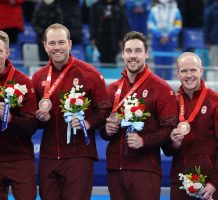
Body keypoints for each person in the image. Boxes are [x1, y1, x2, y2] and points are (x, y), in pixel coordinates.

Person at [31, 23, 111, 200]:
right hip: (48, 155)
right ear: (44, 45)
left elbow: (105, 108)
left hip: (79, 155)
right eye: (52, 43)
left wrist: (88, 123)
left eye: (61, 42)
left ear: (70, 44)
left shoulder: (89, 73)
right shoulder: (38, 77)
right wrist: (39, 118)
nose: (57, 47)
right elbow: (31, 118)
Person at [102, 31, 178, 200]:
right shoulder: (113, 89)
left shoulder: (161, 88)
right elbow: (102, 129)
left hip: (145, 169)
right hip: (115, 168)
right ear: (122, 54)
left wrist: (144, 141)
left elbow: (169, 129)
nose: (133, 56)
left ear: (146, 54)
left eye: (138, 51)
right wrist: (107, 129)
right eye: (128, 51)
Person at [164, 52, 218, 200]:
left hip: (208, 185)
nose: (189, 75)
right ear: (177, 74)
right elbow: (167, 149)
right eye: (184, 71)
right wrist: (174, 144)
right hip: (179, 183)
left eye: (193, 70)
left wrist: (214, 183)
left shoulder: (217, 101)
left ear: (201, 71)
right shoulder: (172, 103)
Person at [0, 30, 37, 200]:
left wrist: (10, 118)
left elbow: (31, 125)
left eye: (0, 51)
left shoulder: (23, 81)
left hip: (19, 158)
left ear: (7, 53)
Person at [147, 0, 182, 80]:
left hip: (170, 42)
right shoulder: (154, 10)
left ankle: (168, 88)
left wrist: (169, 36)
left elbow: (178, 26)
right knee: (158, 66)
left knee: (168, 67)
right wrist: (160, 36)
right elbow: (150, 24)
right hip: (157, 41)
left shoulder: (176, 11)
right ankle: (157, 87)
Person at [89, 0, 130, 65]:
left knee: (113, 58)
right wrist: (93, 37)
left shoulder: (120, 6)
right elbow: (93, 23)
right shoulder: (96, 6)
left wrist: (123, 38)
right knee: (102, 58)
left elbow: (123, 23)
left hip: (114, 39)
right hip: (101, 38)